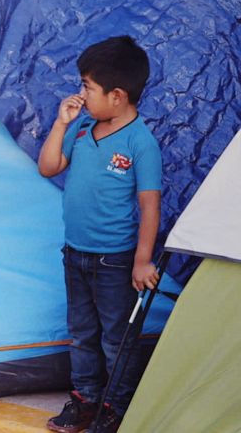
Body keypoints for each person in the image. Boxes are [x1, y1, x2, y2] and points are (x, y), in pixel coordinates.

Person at [37, 36, 162, 433]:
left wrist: (142, 261)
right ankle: (85, 400)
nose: (80, 94)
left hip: (114, 261)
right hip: (74, 254)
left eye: (88, 87)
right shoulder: (83, 128)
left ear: (118, 96)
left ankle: (115, 408)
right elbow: (49, 167)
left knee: (116, 339)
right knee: (82, 335)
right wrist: (61, 123)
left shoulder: (141, 143)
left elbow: (150, 206)